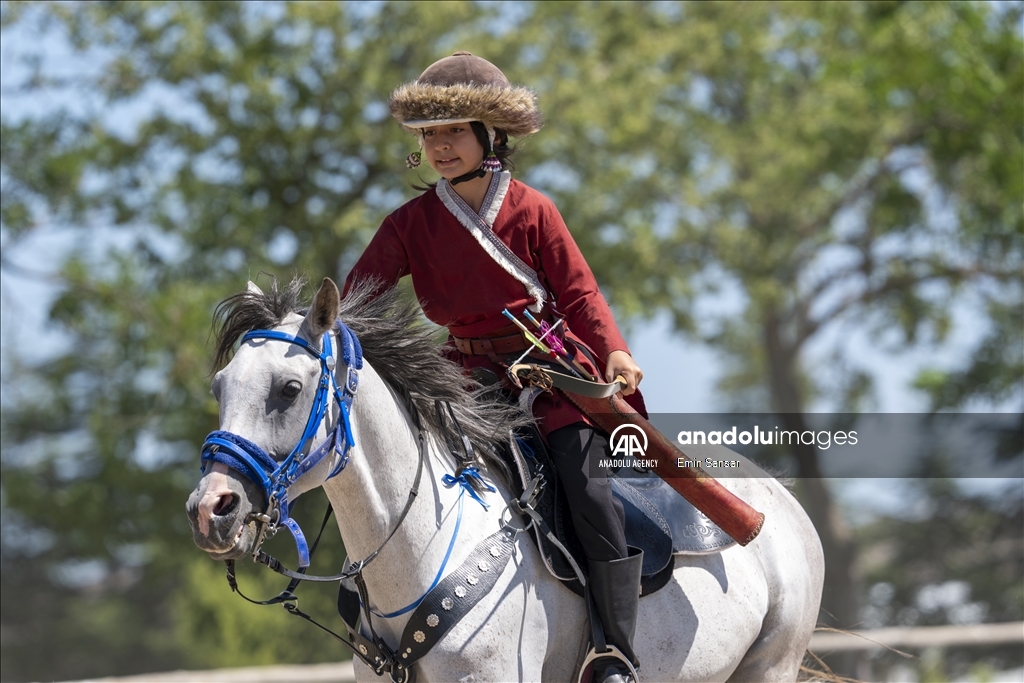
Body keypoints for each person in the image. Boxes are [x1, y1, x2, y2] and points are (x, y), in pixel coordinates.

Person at [344, 51, 647, 683]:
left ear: (490, 136)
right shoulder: (408, 224)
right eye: (429, 136)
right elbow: (357, 301)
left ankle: (615, 649)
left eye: (453, 132)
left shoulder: (534, 209)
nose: (440, 147)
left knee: (587, 489)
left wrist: (613, 346)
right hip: (460, 381)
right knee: (393, 475)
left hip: (550, 372)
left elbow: (580, 292)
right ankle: (373, 609)